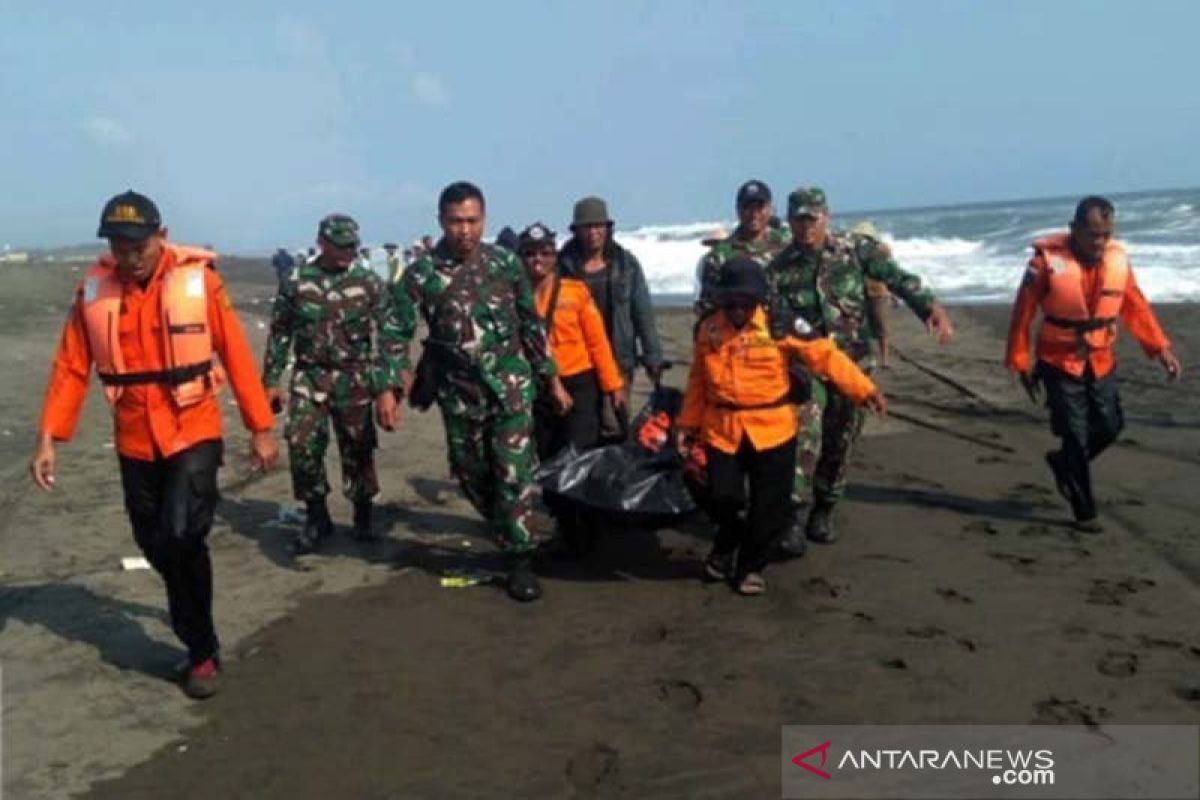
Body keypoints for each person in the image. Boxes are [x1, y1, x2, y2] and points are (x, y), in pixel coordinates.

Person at [30, 190, 280, 699]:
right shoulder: (93, 293)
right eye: (118, 245)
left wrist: (260, 427)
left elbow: (233, 351)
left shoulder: (200, 284)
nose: (128, 254)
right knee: (154, 541)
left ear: (160, 237)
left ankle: (200, 649)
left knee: (183, 531)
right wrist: (49, 438)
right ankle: (192, 614)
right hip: (135, 438)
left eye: (137, 244)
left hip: (193, 429)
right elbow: (72, 367)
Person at [396, 182, 565, 602]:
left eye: (472, 221)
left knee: (514, 473)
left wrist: (551, 378)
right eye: (456, 221)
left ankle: (520, 561)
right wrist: (393, 381)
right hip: (458, 394)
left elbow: (531, 326)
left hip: (510, 389)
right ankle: (507, 526)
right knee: (470, 473)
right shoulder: (421, 274)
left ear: (484, 220)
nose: (465, 230)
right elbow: (394, 330)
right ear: (441, 222)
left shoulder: (505, 264)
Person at [678, 257, 885, 595]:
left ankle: (750, 568)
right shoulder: (709, 328)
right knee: (722, 496)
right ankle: (728, 539)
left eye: (745, 303)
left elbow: (825, 355)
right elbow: (698, 379)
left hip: (772, 428)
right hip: (722, 428)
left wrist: (864, 389)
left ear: (758, 299)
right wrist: (687, 424)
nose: (738, 310)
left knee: (769, 507)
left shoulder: (781, 324)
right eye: (731, 302)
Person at [767, 186, 954, 549]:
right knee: (805, 435)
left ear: (826, 217)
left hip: (853, 366)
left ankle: (824, 508)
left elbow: (897, 277)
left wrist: (929, 306)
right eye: (798, 219)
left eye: (812, 218)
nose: (805, 226)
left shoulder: (854, 252)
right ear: (789, 221)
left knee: (841, 440)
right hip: (808, 370)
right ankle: (794, 517)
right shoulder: (778, 270)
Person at [1005, 195, 1180, 532]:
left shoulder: (1117, 262)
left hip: (1100, 355)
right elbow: (1022, 312)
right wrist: (1020, 360)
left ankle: (1064, 464)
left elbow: (1135, 305)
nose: (1100, 242)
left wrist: (1160, 349)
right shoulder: (1045, 264)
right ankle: (1085, 512)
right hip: (1058, 358)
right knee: (1074, 432)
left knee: (1110, 426)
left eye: (1106, 234)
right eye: (1092, 234)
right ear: (1074, 230)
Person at [262, 214, 408, 553]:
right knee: (302, 447)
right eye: (339, 246)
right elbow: (280, 332)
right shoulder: (297, 281)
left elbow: (389, 337)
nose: (346, 253)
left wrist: (387, 386)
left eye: (352, 246)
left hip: (354, 376)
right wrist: (270, 380)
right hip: (309, 376)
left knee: (357, 448)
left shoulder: (369, 282)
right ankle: (316, 517)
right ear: (322, 243)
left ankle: (362, 515)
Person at [518, 222, 625, 552]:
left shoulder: (575, 292)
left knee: (580, 459)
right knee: (549, 463)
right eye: (530, 253)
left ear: (554, 255)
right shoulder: (511, 297)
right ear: (521, 258)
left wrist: (613, 386)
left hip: (580, 386)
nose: (538, 259)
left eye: (545, 252)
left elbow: (598, 343)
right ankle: (568, 530)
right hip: (538, 389)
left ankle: (591, 527)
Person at [557, 196, 664, 438]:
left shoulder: (625, 264)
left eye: (599, 226)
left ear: (608, 228)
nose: (593, 232)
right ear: (576, 230)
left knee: (616, 422)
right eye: (587, 227)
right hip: (577, 361)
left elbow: (642, 311)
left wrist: (652, 355)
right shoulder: (562, 265)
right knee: (581, 424)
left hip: (618, 357)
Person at [694, 179, 792, 321]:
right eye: (747, 207)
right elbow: (707, 303)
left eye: (759, 207)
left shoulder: (788, 244)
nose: (754, 214)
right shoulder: (720, 255)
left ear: (770, 209)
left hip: (783, 327)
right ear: (738, 210)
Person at [850, 221, 894, 368]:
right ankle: (870, 357)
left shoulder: (880, 250)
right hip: (861, 292)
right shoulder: (855, 251)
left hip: (878, 292)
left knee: (881, 325)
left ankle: (885, 359)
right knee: (863, 327)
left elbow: (889, 270)